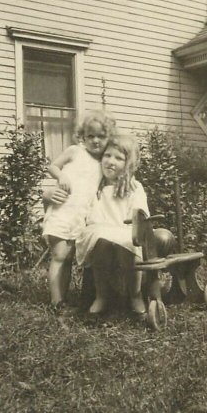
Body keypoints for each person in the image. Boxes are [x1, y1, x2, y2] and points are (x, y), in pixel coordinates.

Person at [42, 110, 116, 307]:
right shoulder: (76, 151)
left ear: (109, 137)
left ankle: (63, 298)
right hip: (63, 210)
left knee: (68, 258)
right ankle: (56, 301)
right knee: (59, 256)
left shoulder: (103, 162)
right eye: (90, 136)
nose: (96, 141)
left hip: (80, 216)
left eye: (101, 136)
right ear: (83, 137)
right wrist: (61, 176)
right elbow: (52, 166)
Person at [76, 133, 148, 316]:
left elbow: (139, 213)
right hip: (99, 232)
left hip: (124, 232)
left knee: (128, 242)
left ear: (128, 164)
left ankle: (135, 294)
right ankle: (102, 295)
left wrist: (135, 221)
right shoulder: (95, 186)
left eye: (119, 158)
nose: (111, 162)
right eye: (107, 156)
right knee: (100, 240)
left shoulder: (133, 187)